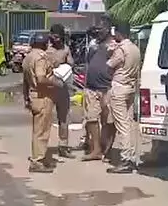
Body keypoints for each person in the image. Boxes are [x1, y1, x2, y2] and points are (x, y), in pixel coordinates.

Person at [105, 23, 142, 173]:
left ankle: (126, 158)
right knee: (129, 123)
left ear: (120, 34)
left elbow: (110, 65)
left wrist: (110, 51)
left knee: (122, 125)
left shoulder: (121, 49)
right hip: (131, 87)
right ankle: (132, 156)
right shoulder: (135, 49)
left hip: (120, 87)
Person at [22, 31, 58, 173]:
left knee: (37, 130)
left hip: (33, 96)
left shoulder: (28, 57)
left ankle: (40, 157)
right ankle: (37, 161)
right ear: (44, 43)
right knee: (42, 131)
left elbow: (25, 81)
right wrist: (55, 82)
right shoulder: (40, 58)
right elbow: (41, 78)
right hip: (43, 97)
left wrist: (26, 97)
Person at [81, 25, 114, 161]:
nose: (98, 32)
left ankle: (107, 149)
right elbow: (88, 63)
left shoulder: (114, 46)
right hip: (91, 87)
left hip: (107, 88)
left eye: (101, 29)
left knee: (109, 121)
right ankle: (96, 150)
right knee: (91, 118)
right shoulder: (94, 45)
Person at [46, 24, 75, 159]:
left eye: (59, 37)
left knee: (64, 118)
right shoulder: (46, 49)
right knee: (45, 117)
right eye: (54, 36)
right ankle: (42, 147)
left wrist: (66, 64)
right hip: (48, 88)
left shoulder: (66, 49)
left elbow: (71, 63)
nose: (56, 39)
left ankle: (63, 145)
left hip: (63, 88)